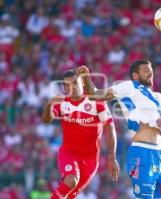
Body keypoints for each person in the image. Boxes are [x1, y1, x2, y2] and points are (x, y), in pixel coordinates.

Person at [76, 60, 161, 198]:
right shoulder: (129, 87)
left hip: (160, 154)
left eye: (151, 70)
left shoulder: (159, 97)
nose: (150, 72)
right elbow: (96, 95)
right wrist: (86, 78)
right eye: (145, 70)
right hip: (142, 150)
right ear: (135, 75)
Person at [42, 69, 120, 199]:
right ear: (65, 87)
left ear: (82, 83)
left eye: (75, 82)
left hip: (90, 160)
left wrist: (112, 157)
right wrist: (50, 104)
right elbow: (46, 120)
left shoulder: (97, 102)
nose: (72, 87)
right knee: (71, 181)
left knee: (68, 196)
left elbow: (110, 128)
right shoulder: (62, 103)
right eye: (67, 84)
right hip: (69, 153)